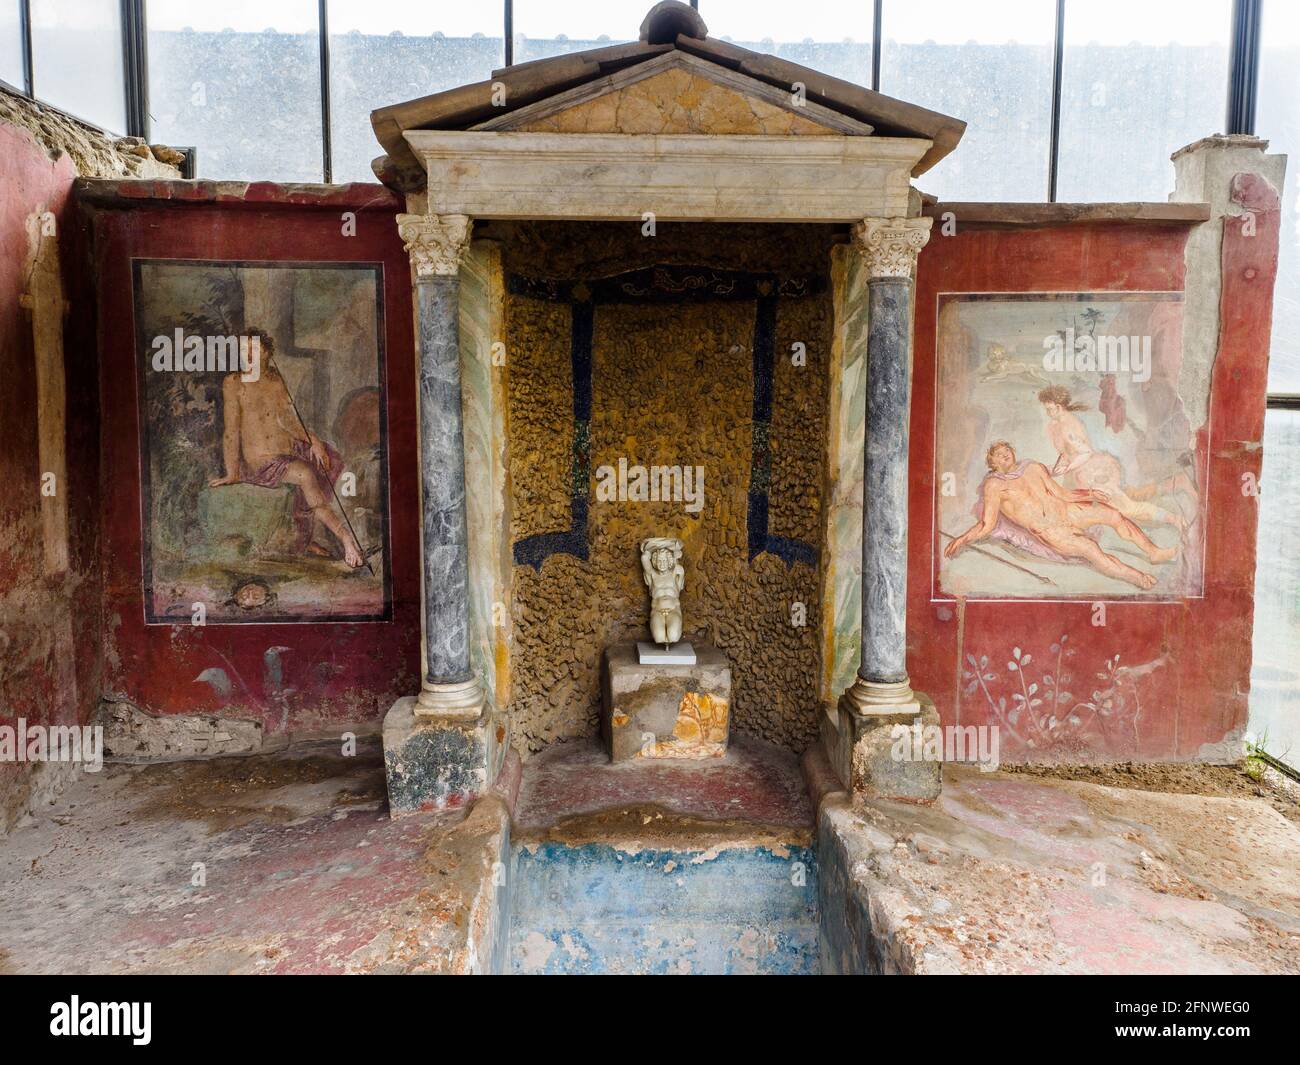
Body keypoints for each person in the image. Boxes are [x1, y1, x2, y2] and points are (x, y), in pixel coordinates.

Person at [208, 329, 364, 568]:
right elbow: (231, 431)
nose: (248, 355)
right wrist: (232, 472)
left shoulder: (275, 380)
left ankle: (305, 538)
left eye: (255, 349)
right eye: (243, 349)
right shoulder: (233, 383)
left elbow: (288, 420)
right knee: (306, 474)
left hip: (288, 449)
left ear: (267, 353)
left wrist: (313, 441)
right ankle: (346, 538)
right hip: (264, 461)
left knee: (330, 458)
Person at [945, 441, 1176, 591]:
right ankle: (1136, 576)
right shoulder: (994, 486)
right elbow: (987, 524)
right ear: (992, 463)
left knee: (1114, 516)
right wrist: (961, 539)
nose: (1004, 455)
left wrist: (1090, 493)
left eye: (1007, 451)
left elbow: (1061, 493)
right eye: (998, 455)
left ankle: (1154, 552)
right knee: (1091, 550)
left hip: (1068, 511)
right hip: (1050, 530)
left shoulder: (1033, 467)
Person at [1039, 385, 1186, 531]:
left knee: (1128, 508)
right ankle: (1174, 483)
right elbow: (1066, 454)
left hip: (1092, 472)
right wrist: (1056, 467)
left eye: (1049, 409)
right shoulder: (1053, 426)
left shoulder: (1069, 426)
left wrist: (1066, 468)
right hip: (1076, 475)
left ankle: (1174, 518)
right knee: (1075, 510)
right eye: (1046, 409)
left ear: (1059, 407)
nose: (1047, 413)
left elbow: (1085, 453)